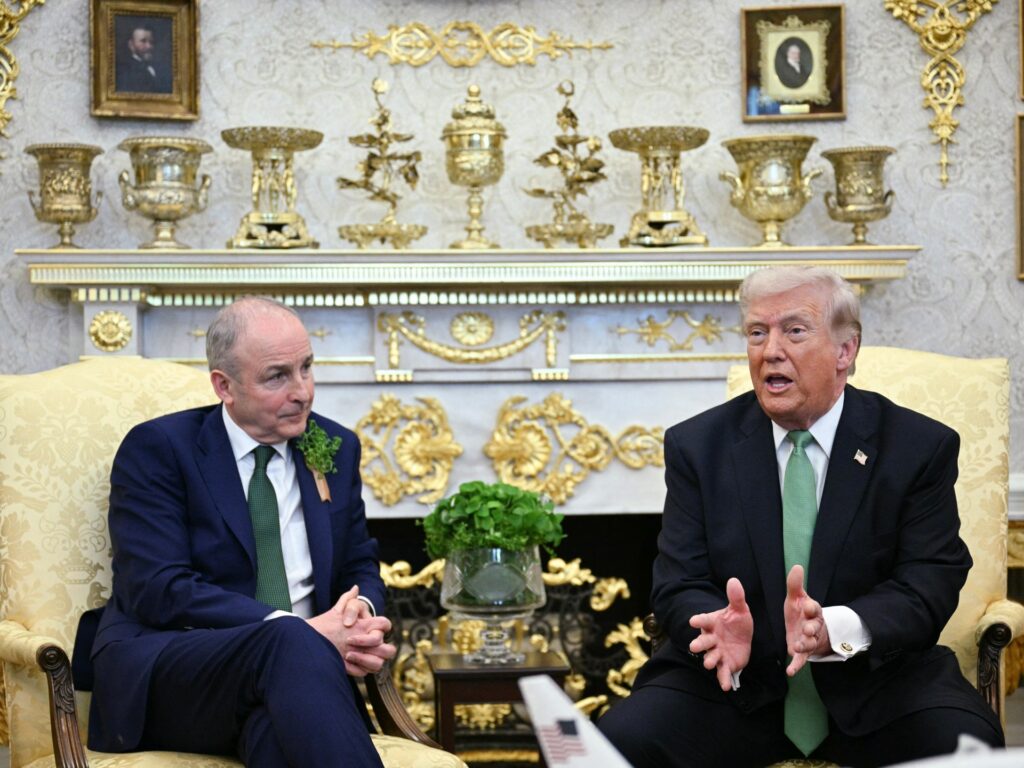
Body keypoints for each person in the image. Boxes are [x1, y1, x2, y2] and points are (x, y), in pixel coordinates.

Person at [598, 266, 1003, 767]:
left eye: (794, 331)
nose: (770, 350)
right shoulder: (698, 447)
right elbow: (678, 581)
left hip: (879, 684)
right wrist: (714, 624)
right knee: (618, 742)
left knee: (968, 747)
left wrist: (835, 628)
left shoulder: (917, 447)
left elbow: (929, 581)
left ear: (845, 350)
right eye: (756, 333)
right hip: (734, 686)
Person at [76, 297, 395, 767]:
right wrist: (301, 631)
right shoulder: (160, 448)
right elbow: (157, 587)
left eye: (306, 368)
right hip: (176, 669)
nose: (303, 391)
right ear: (224, 385)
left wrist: (359, 615)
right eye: (277, 376)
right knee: (288, 642)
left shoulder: (335, 445)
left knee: (275, 737)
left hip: (295, 683)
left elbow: (359, 562)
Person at [115, 22, 171, 94]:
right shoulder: (125, 72)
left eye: (151, 42)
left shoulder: (161, 68)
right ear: (131, 45)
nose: (149, 46)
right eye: (143, 41)